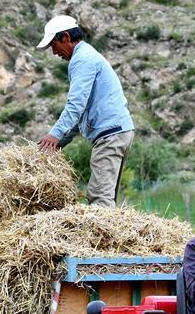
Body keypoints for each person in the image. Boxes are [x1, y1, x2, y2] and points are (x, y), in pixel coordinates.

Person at [36, 15, 135, 208]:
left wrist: (54, 134)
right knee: (106, 196)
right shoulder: (86, 57)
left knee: (99, 198)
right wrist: (59, 142)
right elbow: (80, 112)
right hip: (117, 131)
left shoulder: (82, 60)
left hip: (110, 135)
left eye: (54, 45)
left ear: (65, 37)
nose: (54, 52)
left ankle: (102, 238)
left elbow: (76, 105)